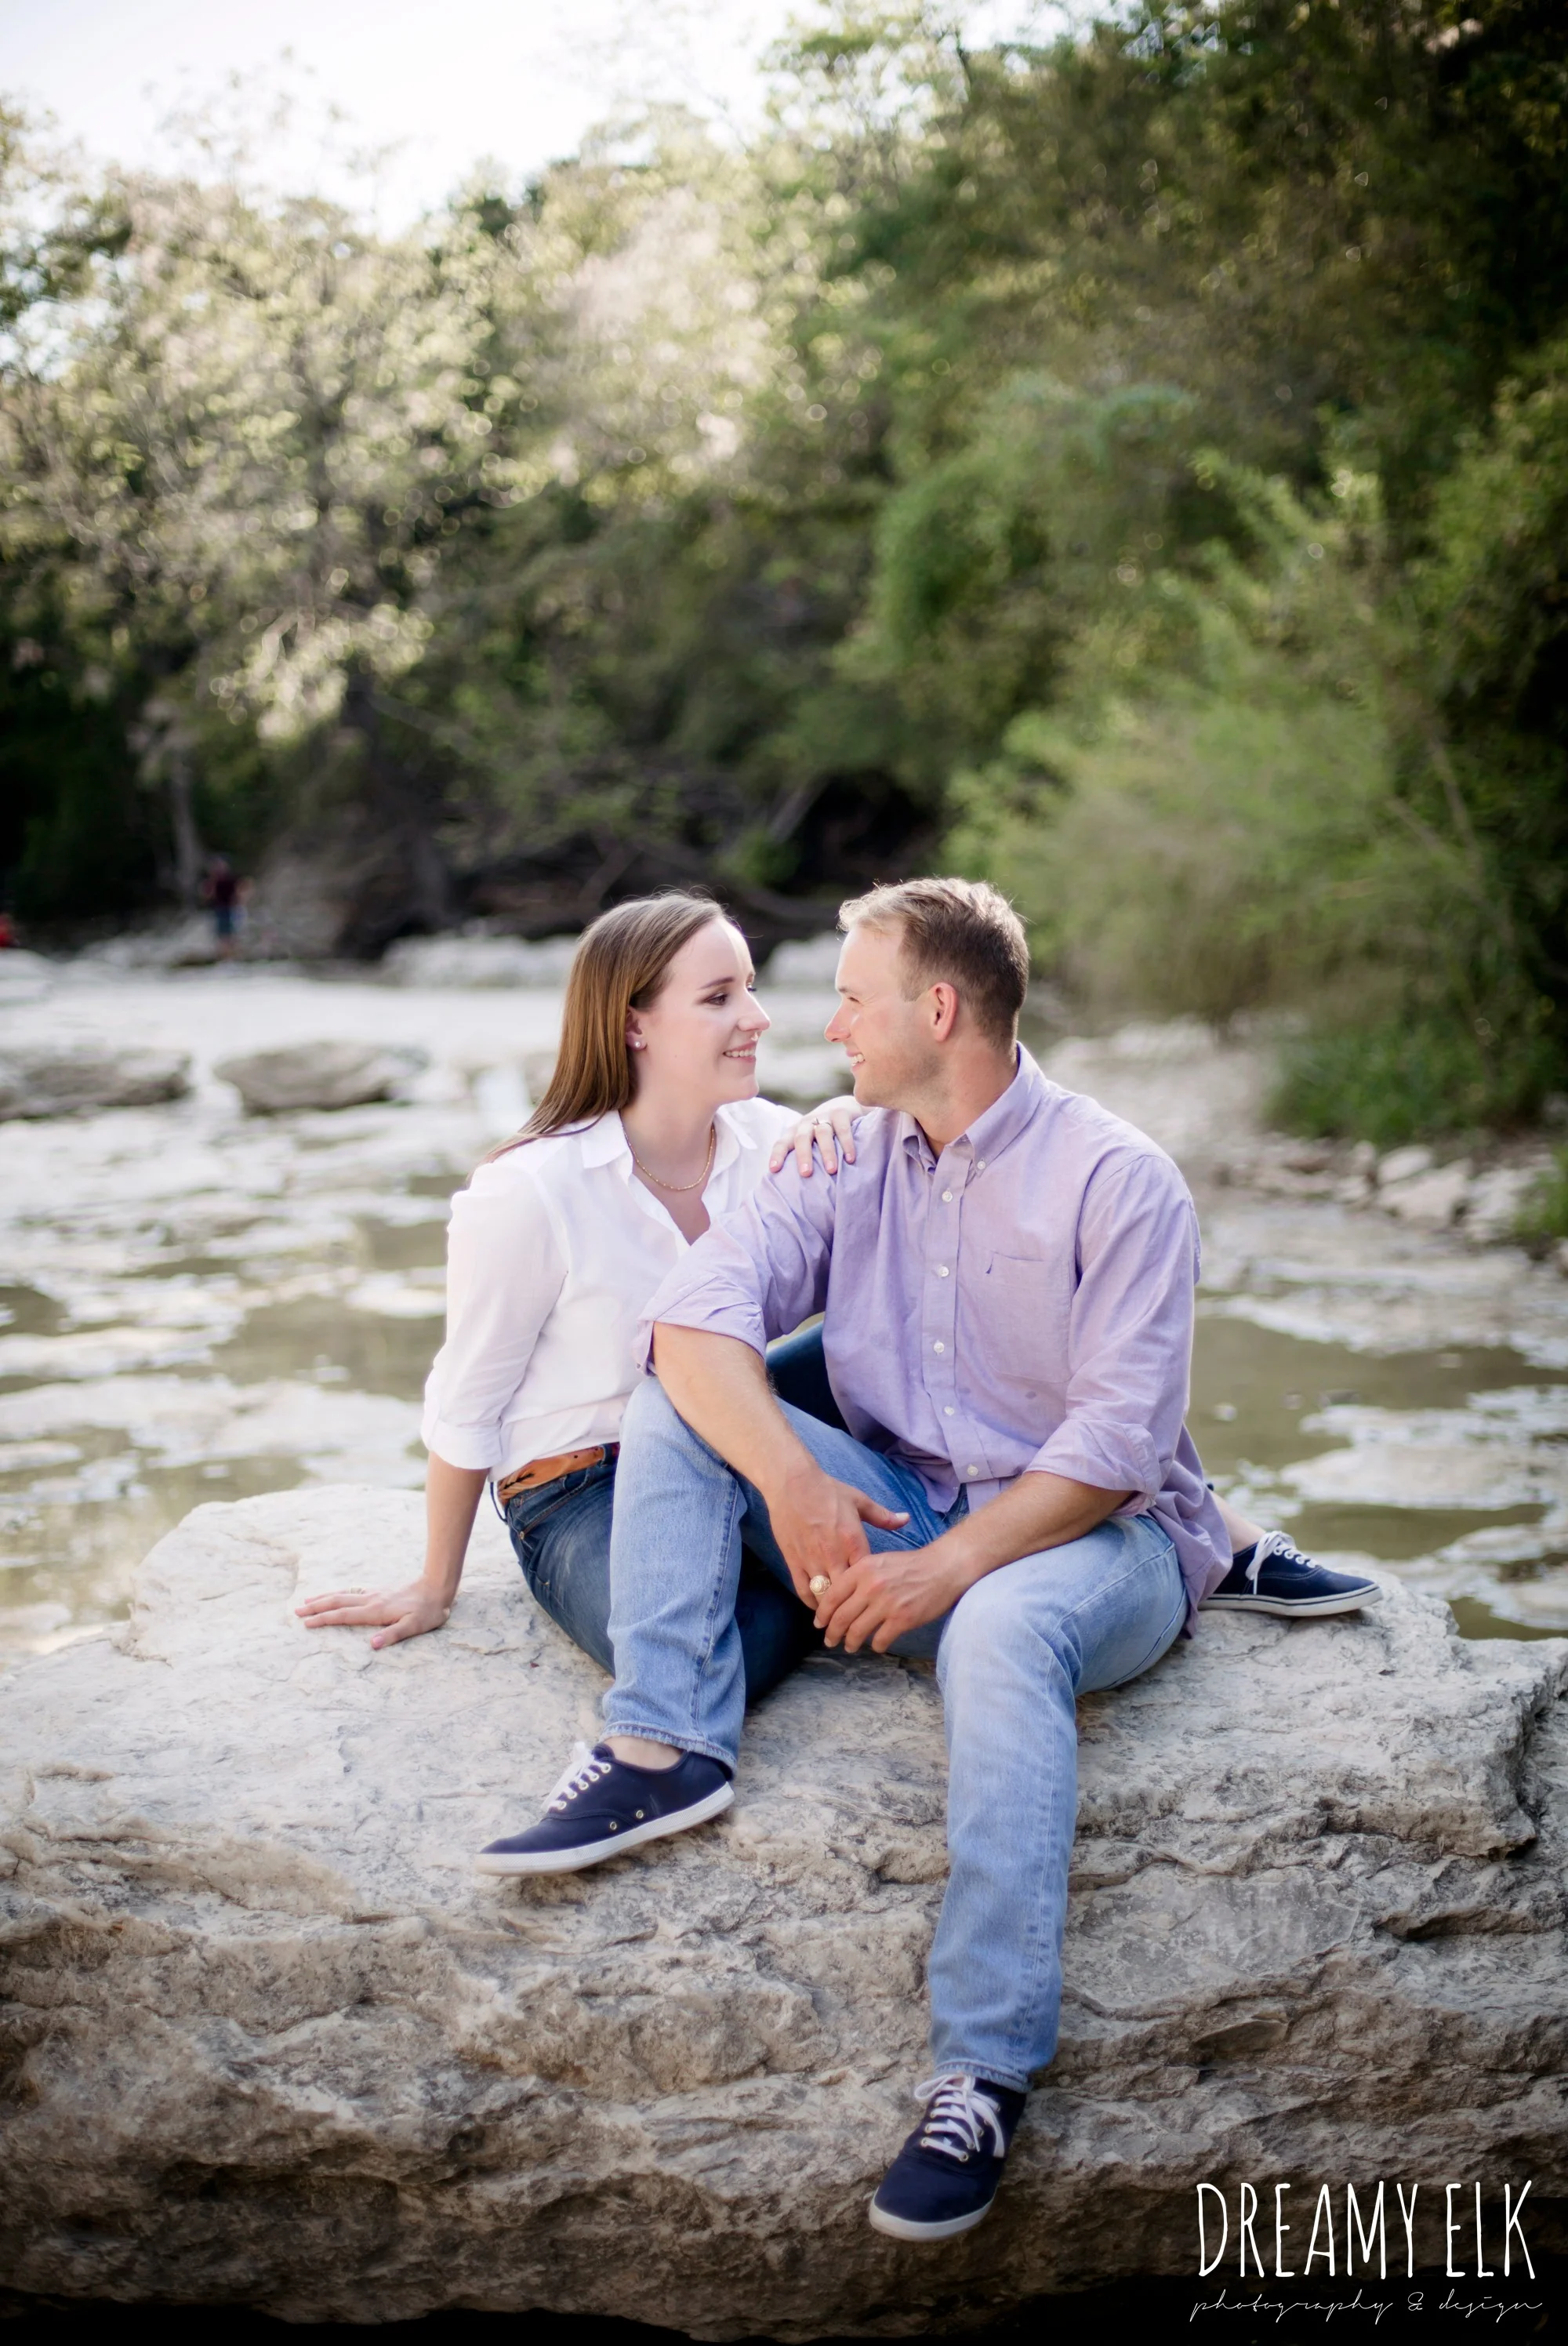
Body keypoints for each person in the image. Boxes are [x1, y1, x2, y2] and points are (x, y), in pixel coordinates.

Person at [482, 878, 1381, 2247]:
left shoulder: (1117, 1176)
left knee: (998, 1632)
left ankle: (980, 2070)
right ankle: (668, 1744)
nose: (824, 1021)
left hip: (1092, 1540)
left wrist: (946, 1567)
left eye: (854, 994)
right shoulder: (848, 1153)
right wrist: (793, 1482)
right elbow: (694, 1317)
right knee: (682, 1388)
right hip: (904, 1498)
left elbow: (1118, 1443)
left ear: (940, 1009)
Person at [296, 893, 869, 1687]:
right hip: (582, 1489)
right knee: (691, 1664)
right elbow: (468, 1398)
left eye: (749, 986)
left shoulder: (771, 1141)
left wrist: (846, 1110)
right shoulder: (530, 1191)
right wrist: (435, 1583)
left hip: (733, 1435)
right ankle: (816, 1595)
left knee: (865, 1336)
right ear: (633, 1023)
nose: (757, 1017)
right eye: (718, 998)